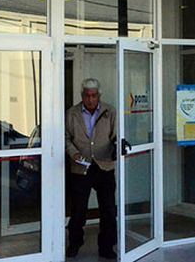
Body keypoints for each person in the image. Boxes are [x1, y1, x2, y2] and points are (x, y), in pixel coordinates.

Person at [65, 78, 118, 259]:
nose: (90, 99)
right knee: (78, 210)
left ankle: (107, 246)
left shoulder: (109, 111)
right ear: (82, 96)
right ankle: (75, 242)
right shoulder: (72, 113)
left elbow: (116, 135)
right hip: (81, 167)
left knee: (108, 209)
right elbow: (66, 137)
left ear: (99, 96)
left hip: (104, 166)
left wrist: (117, 148)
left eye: (94, 95)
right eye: (87, 96)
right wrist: (73, 153)